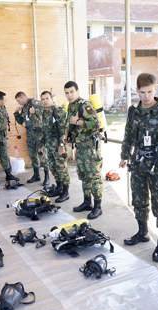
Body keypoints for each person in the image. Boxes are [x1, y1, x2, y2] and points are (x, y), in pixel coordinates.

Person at [119, 73, 158, 262]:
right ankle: (143, 233)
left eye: (149, 92)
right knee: (139, 201)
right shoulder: (133, 111)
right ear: (137, 90)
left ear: (155, 89)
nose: (146, 96)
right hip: (138, 165)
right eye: (142, 92)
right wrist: (124, 155)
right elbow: (129, 134)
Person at [64, 81, 103, 219]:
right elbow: (69, 122)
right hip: (80, 147)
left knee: (93, 177)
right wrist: (66, 135)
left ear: (78, 91)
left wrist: (78, 122)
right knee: (83, 176)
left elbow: (96, 123)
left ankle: (98, 206)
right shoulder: (71, 106)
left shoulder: (84, 105)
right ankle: (87, 202)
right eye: (67, 93)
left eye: (72, 92)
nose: (69, 95)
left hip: (90, 147)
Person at [39, 91, 70, 203]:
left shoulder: (59, 111)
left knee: (62, 169)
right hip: (49, 145)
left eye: (47, 98)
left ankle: (66, 192)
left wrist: (61, 146)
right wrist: (41, 145)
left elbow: (63, 130)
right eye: (42, 99)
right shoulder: (44, 112)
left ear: (52, 99)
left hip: (58, 145)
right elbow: (43, 130)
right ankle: (59, 188)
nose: (45, 101)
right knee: (53, 168)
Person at [14, 91, 49, 185]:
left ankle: (47, 177)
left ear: (23, 98)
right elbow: (21, 121)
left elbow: (45, 112)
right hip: (29, 134)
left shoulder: (35, 103)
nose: (18, 103)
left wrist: (35, 111)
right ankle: (36, 175)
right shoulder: (24, 107)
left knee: (42, 155)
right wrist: (16, 113)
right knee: (33, 155)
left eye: (18, 100)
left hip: (39, 133)